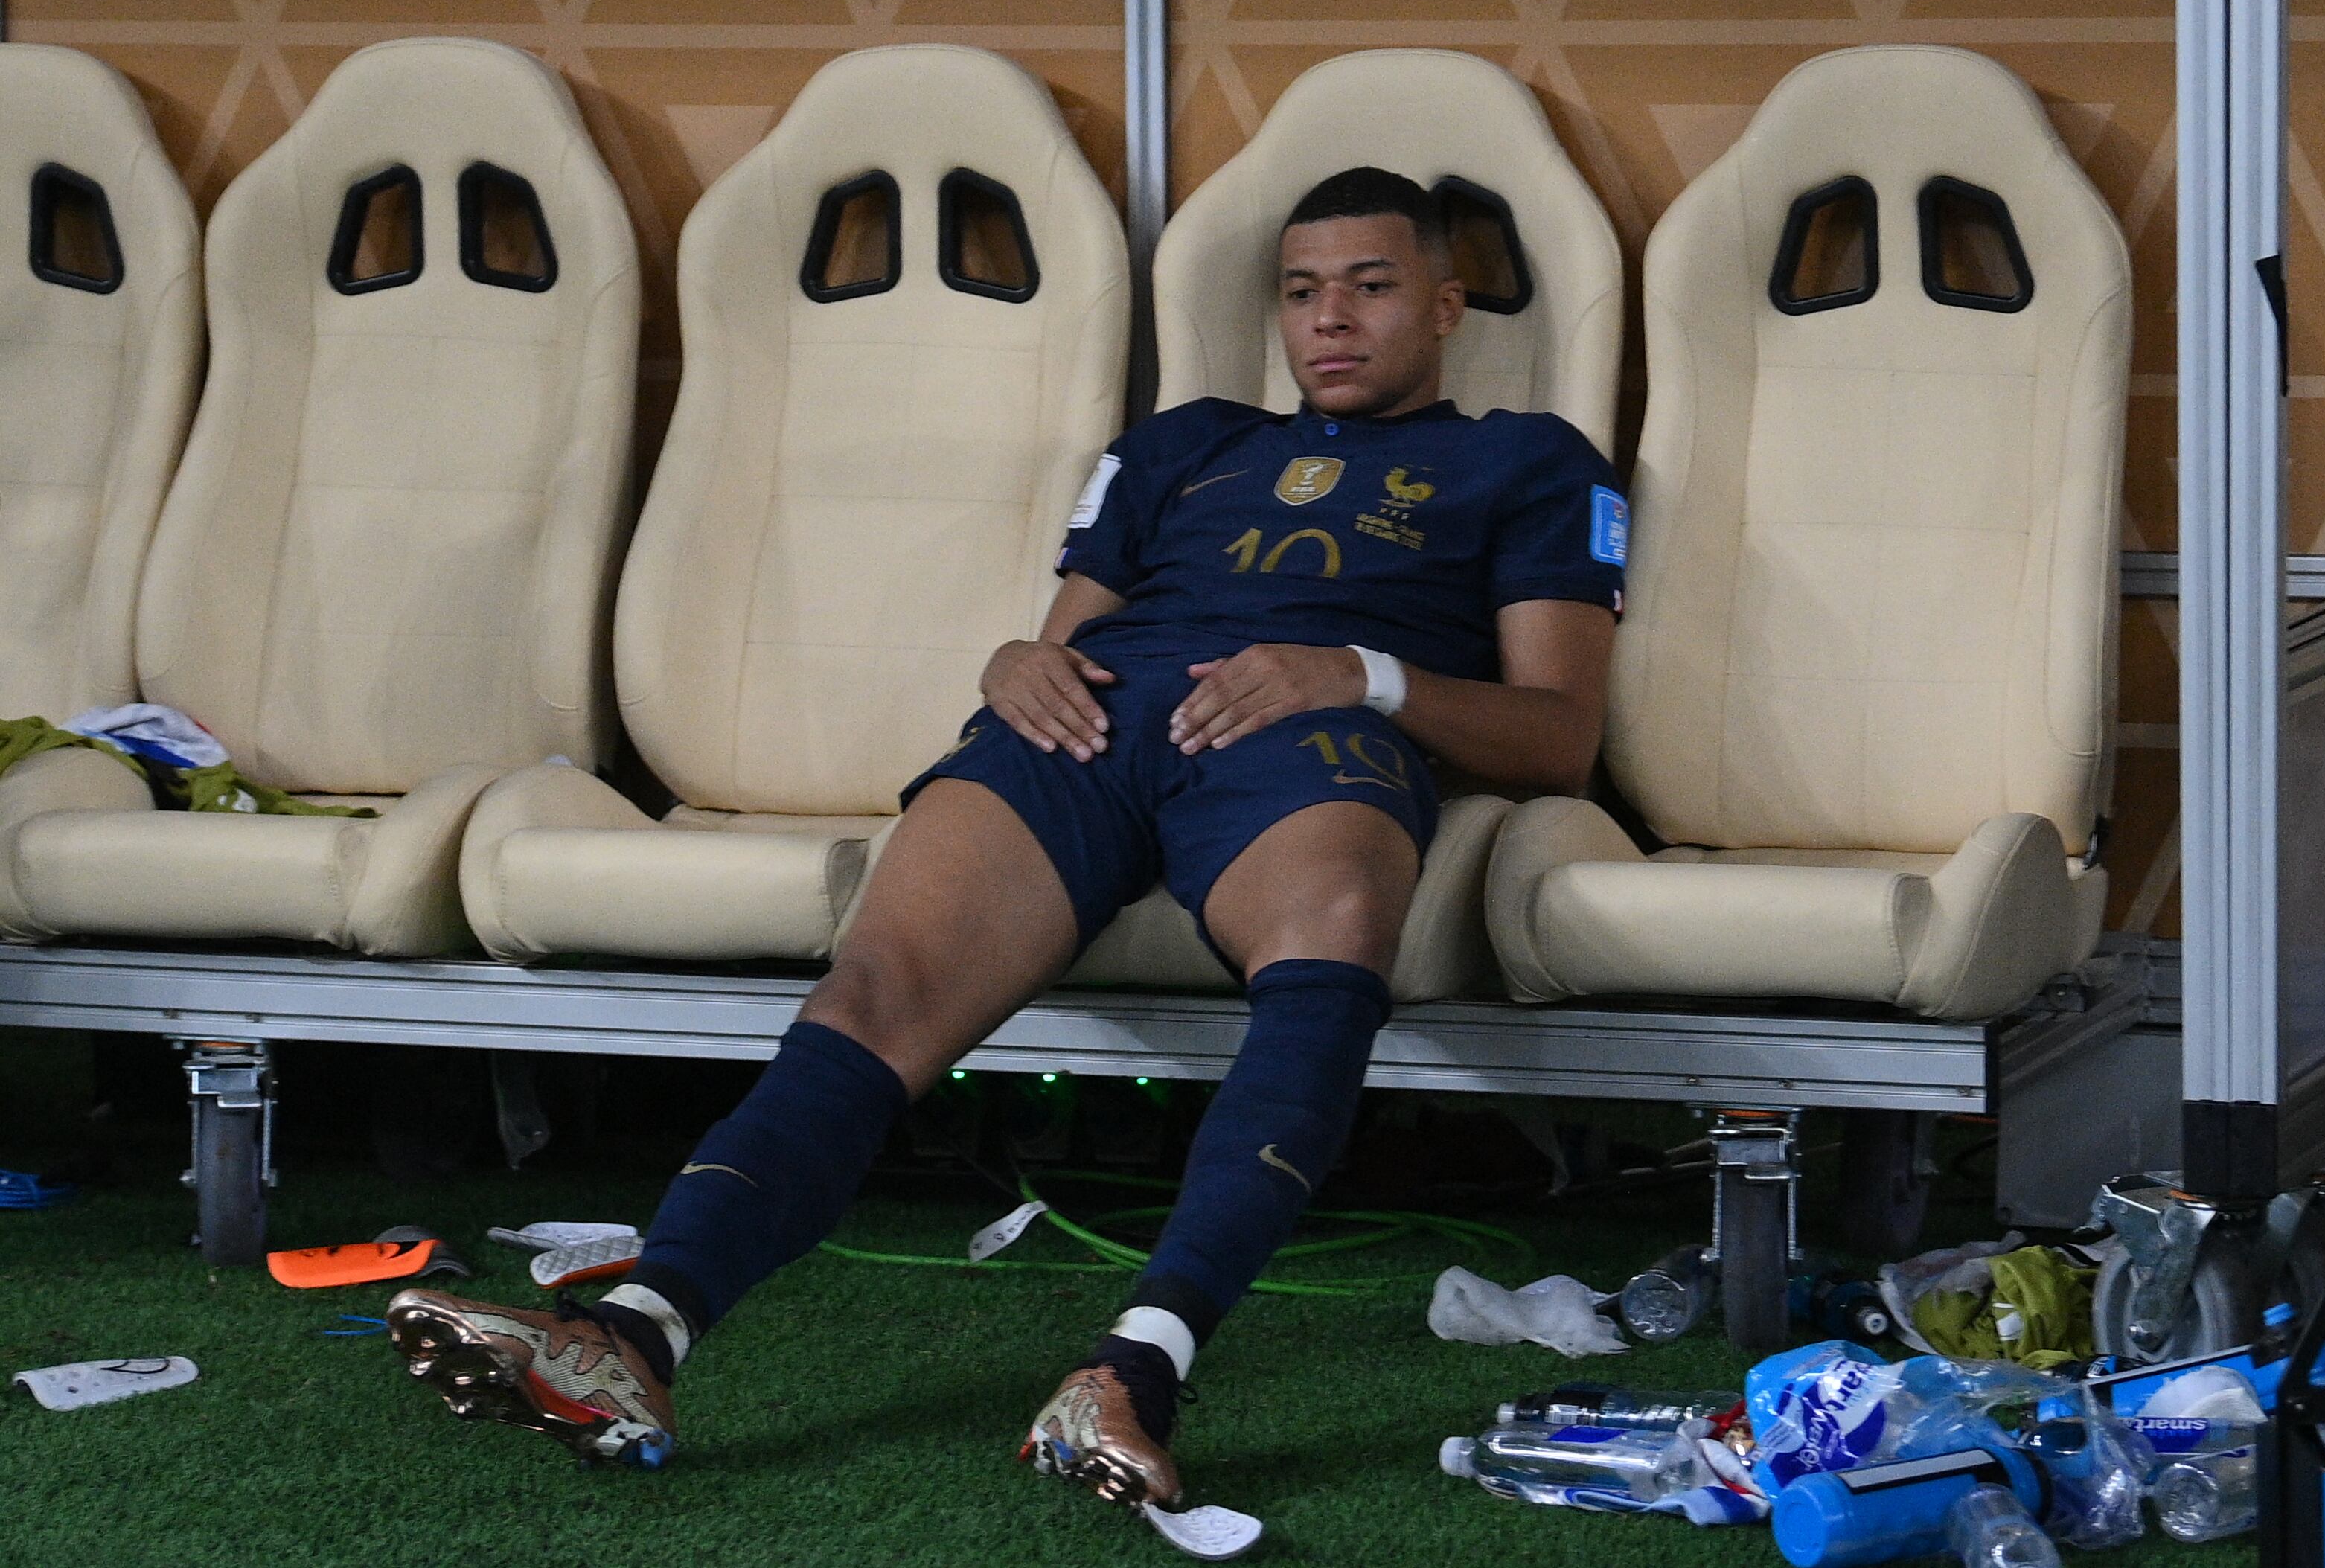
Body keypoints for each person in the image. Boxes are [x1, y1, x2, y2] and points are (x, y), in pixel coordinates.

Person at [385, 166, 1625, 1510]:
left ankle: (1132, 1372)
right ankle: (631, 1331)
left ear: (1445, 304)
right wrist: (1007, 663)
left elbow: (1557, 733)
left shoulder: (1530, 459)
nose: (1329, 319)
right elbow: (1064, 635)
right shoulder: (1184, 442)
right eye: (1302, 290)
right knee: (873, 990)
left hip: (1308, 733)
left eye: (1372, 287)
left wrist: (1362, 675)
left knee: (1326, 945)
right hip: (1087, 725)